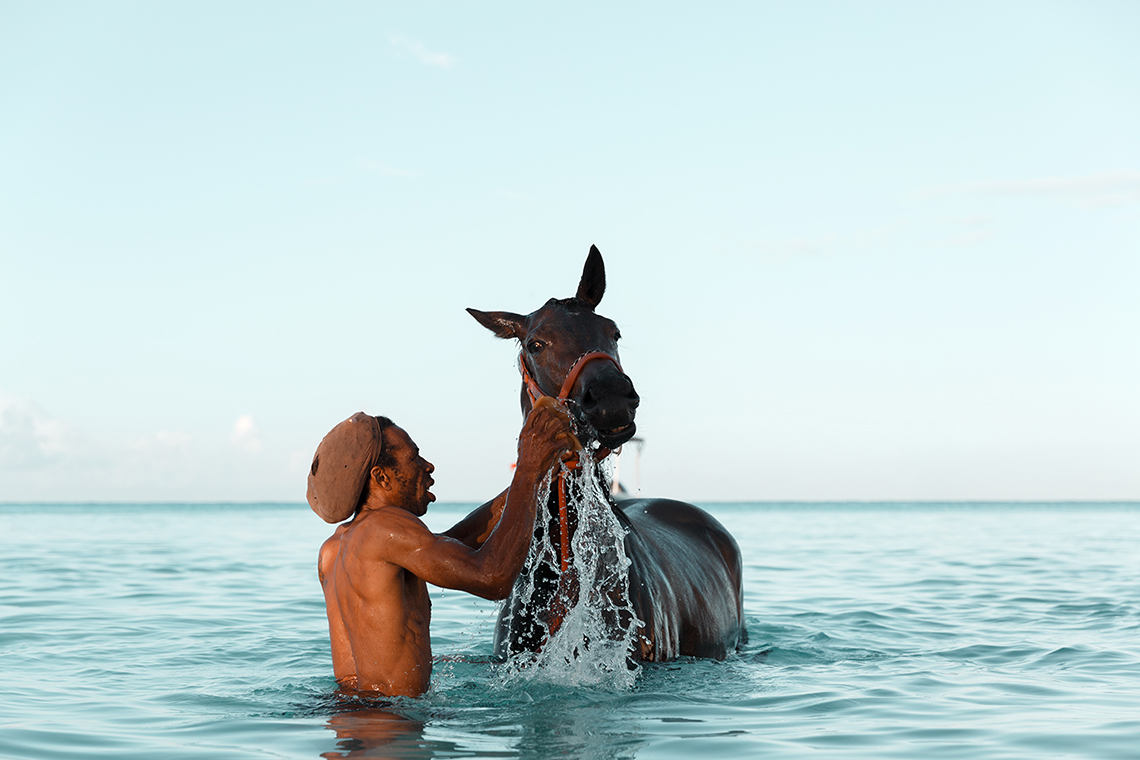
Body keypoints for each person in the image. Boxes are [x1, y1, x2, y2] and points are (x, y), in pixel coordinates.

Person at [308, 398, 579, 697]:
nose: (428, 466)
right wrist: (528, 468)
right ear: (381, 477)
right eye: (414, 458)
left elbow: (452, 543)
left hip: (349, 716)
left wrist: (539, 479)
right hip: (393, 729)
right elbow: (494, 578)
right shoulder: (387, 529)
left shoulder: (334, 549)